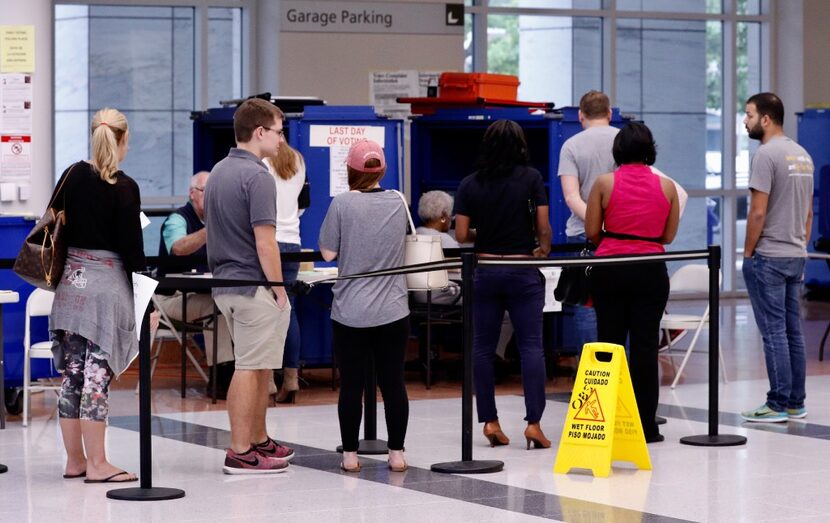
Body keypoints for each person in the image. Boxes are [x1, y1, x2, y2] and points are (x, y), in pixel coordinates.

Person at [48, 107, 144, 483]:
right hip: (105, 291)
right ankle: (99, 464)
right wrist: (144, 298)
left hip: (71, 285)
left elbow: (53, 223)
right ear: (122, 140)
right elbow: (132, 251)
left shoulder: (70, 175)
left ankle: (75, 461)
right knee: (95, 378)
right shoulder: (124, 187)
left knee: (72, 375)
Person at [204, 98, 293, 474]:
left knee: (260, 367)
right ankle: (240, 449)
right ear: (259, 133)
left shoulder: (218, 172)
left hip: (225, 284)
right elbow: (265, 241)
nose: (281, 139)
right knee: (250, 366)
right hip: (252, 283)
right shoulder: (257, 177)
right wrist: (279, 287)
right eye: (278, 131)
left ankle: (258, 439)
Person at [454, 119, 553, 450]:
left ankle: (490, 421)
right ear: (521, 146)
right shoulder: (532, 178)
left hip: (486, 269)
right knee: (531, 347)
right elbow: (543, 225)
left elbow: (461, 235)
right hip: (522, 269)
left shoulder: (470, 183)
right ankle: (534, 424)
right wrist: (542, 247)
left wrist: (487, 232)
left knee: (482, 347)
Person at [585, 122, 680, 443]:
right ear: (650, 150)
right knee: (645, 348)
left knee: (608, 345)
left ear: (618, 150)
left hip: (611, 267)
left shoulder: (603, 183)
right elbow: (668, 235)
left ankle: (604, 423)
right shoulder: (667, 187)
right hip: (651, 270)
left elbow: (591, 232)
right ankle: (646, 426)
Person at [319, 139, 410, 473]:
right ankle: (397, 454)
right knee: (393, 382)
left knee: (352, 385)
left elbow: (328, 252)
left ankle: (350, 456)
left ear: (350, 171)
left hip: (350, 312)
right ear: (381, 169)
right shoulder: (398, 201)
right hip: (393, 309)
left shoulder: (342, 204)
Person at [740, 92, 814, 423]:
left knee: (773, 332)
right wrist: (799, 243)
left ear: (766, 119)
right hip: (795, 252)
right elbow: (809, 212)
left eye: (749, 114)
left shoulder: (766, 155)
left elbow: (757, 212)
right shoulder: (802, 155)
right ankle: (796, 401)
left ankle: (778, 403)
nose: (745, 120)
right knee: (792, 331)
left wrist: (748, 252)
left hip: (769, 255)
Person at [156, 171, 235, 399]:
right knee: (217, 307)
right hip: (171, 299)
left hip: (202, 293)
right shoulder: (177, 220)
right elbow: (179, 247)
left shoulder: (217, 221)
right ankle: (220, 379)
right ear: (192, 194)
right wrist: (210, 231)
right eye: (206, 192)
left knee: (236, 303)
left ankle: (247, 374)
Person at [558, 90, 617, 353]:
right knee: (619, 303)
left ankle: (591, 377)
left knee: (585, 303)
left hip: (581, 232)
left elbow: (571, 197)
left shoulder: (571, 145)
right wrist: (610, 224)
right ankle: (619, 376)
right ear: (609, 113)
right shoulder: (624, 140)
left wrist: (596, 223)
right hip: (620, 234)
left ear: (581, 115)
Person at [264, 143, 307, 404]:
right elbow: (302, 204)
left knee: (265, 312)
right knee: (287, 310)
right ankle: (291, 377)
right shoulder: (298, 160)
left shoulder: (262, 162)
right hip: (293, 241)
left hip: (268, 240)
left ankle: (268, 379)